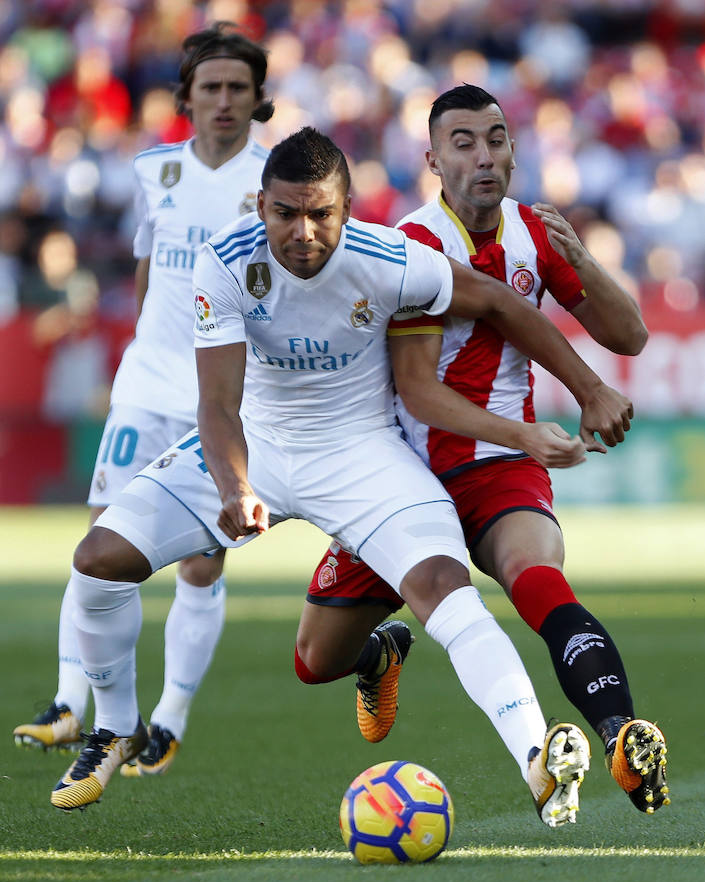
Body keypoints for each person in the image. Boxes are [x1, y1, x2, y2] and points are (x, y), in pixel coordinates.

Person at [48, 128, 639, 825]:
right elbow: (216, 402)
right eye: (285, 213)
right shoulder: (227, 262)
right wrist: (236, 487)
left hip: (363, 455)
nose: (302, 232)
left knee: (446, 593)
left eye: (320, 213)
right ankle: (115, 727)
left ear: (348, 207)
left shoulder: (390, 258)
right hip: (256, 446)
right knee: (96, 562)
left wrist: (589, 386)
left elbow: (503, 304)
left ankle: (540, 763)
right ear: (259, 205)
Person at [304, 85, 669, 816]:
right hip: (403, 474)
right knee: (318, 659)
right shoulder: (413, 246)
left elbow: (628, 335)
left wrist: (585, 264)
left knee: (538, 580)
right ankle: (381, 652)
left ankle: (621, 733)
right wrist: (532, 432)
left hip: (500, 471)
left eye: (497, 139)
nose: (485, 156)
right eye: (464, 142)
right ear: (434, 159)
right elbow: (416, 391)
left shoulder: (537, 232)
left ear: (514, 149)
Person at [14, 22, 273, 778]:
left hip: (222, 397)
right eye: (210, 87)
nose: (223, 100)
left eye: (237, 88)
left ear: (259, 99)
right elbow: (148, 271)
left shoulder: (274, 181)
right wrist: (140, 353)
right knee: (99, 543)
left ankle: (169, 717)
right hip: (147, 381)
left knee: (202, 563)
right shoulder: (153, 169)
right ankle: (69, 703)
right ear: (186, 97)